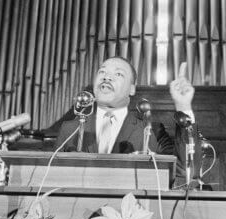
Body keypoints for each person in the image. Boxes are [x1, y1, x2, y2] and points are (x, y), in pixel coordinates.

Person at [55, 57, 200, 182]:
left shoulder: (152, 131)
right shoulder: (70, 129)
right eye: (102, 72)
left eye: (118, 74)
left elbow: (185, 172)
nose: (107, 77)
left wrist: (183, 104)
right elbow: (51, 175)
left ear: (132, 89)